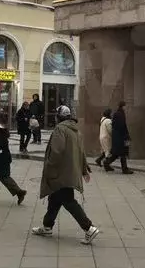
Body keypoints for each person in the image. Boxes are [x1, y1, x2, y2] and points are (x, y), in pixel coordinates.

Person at [32, 105, 100, 244]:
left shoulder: (60, 129)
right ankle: (47, 226)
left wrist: (50, 168)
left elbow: (57, 151)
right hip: (69, 171)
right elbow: (81, 152)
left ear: (58, 117)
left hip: (61, 173)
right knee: (54, 198)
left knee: (68, 200)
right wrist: (84, 170)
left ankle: (89, 228)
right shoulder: (76, 131)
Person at [104, 101, 134, 174]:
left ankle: (106, 162)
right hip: (120, 137)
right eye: (125, 106)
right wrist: (126, 136)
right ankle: (124, 169)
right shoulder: (120, 114)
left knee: (116, 153)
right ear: (123, 106)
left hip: (117, 137)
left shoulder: (117, 114)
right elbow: (122, 126)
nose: (126, 108)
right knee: (122, 153)